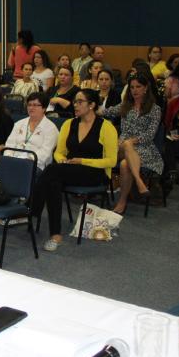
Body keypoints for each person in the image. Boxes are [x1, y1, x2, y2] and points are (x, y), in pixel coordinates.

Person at [33, 89, 118, 252]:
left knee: (52, 172)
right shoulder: (69, 123)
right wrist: (62, 160)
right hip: (69, 169)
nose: (75, 105)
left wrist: (81, 161)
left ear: (92, 105)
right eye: (74, 102)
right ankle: (55, 234)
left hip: (96, 173)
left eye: (80, 102)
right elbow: (59, 152)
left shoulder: (106, 127)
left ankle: (31, 211)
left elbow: (112, 161)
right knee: (53, 181)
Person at [104, 74, 163, 214]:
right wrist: (91, 109)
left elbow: (150, 135)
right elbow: (107, 111)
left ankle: (122, 202)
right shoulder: (125, 105)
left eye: (138, 87)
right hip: (121, 146)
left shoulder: (155, 109)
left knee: (125, 164)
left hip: (144, 148)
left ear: (146, 88)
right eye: (132, 87)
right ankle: (139, 182)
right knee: (126, 145)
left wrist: (131, 141)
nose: (134, 90)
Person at [3, 91, 59, 171]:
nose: (31, 108)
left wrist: (26, 161)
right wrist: (9, 159)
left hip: (35, 165)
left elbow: (45, 153)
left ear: (44, 108)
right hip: (12, 161)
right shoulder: (19, 124)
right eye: (29, 105)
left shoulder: (51, 129)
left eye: (35, 105)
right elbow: (9, 144)